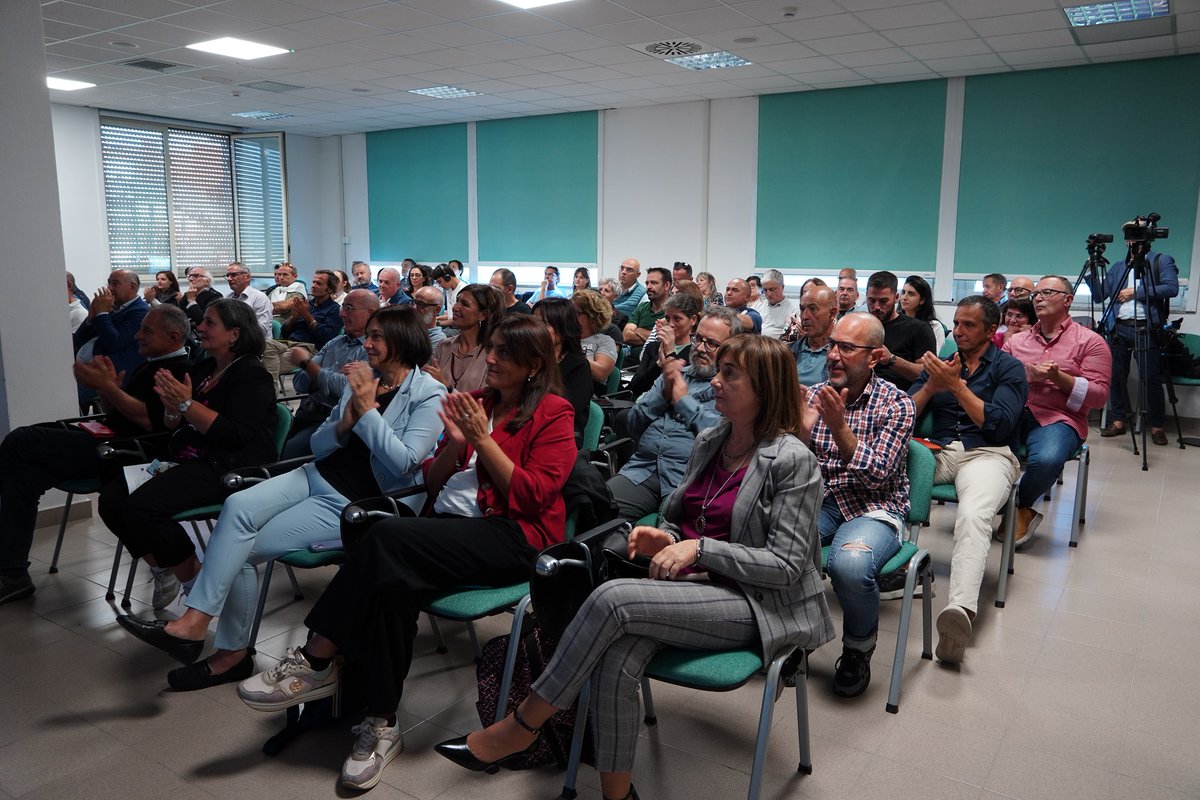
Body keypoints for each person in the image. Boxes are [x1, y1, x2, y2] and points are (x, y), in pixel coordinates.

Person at [437, 335, 835, 800]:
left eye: (731, 374)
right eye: (720, 369)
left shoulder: (792, 460)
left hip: (759, 603)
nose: (716, 381)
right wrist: (663, 536)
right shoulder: (711, 440)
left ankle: (522, 725)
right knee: (617, 659)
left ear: (765, 388)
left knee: (613, 597)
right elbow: (677, 513)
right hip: (692, 586)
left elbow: (786, 567)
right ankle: (617, 794)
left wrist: (698, 549)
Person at [236, 316, 576, 792]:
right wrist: (453, 451)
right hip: (451, 530)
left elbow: (534, 497)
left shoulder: (554, 412)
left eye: (502, 352)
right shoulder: (476, 403)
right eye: (492, 349)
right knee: (394, 582)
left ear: (534, 366)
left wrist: (480, 441)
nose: (490, 359)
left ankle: (317, 658)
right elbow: (434, 484)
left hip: (513, 536)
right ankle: (381, 724)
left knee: (385, 536)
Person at [118, 306, 447, 690]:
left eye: (376, 337)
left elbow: (405, 464)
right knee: (236, 508)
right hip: (316, 474)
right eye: (368, 335)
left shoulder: (429, 393)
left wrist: (365, 411)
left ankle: (227, 654)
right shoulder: (366, 378)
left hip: (356, 502)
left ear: (403, 342)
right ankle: (197, 625)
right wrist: (344, 422)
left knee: (237, 547)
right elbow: (321, 444)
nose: (367, 344)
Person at [0, 305, 192, 606]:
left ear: (173, 336)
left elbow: (151, 423)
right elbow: (122, 412)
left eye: (146, 331)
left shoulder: (178, 370)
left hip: (128, 454)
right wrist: (109, 389)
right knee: (24, 475)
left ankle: (10, 572)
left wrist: (108, 389)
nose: (138, 335)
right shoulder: (151, 363)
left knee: (23, 440)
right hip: (107, 437)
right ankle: (13, 575)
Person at [100, 300, 277, 624]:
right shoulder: (203, 368)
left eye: (210, 323)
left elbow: (234, 434)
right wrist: (173, 406)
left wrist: (185, 403)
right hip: (188, 458)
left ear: (234, 334)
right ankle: (163, 564)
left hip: (229, 466)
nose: (201, 327)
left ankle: (195, 582)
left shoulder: (252, 375)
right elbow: (174, 424)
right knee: (112, 500)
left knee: (142, 507)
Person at [798, 312, 915, 697]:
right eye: (833, 345)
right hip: (822, 499)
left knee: (849, 565)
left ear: (875, 357)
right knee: (778, 542)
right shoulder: (814, 395)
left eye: (846, 348)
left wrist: (838, 427)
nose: (832, 355)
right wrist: (796, 432)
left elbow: (878, 476)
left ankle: (857, 650)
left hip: (874, 507)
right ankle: (795, 635)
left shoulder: (898, 406)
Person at [909, 296, 1027, 665]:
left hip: (988, 453)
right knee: (886, 470)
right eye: (956, 323)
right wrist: (932, 385)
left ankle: (959, 615)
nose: (957, 332)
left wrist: (957, 387)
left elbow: (1000, 425)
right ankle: (887, 567)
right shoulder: (943, 365)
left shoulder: (1010, 369)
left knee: (974, 515)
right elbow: (906, 414)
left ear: (991, 331)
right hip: (942, 451)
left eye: (968, 325)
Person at [1003, 276, 1110, 546]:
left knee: (1048, 460)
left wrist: (1060, 378)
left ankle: (1018, 507)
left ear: (1068, 300)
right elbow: (996, 378)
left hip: (1059, 417)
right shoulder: (1017, 342)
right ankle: (1003, 507)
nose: (1038, 298)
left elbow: (1099, 396)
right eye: (1036, 294)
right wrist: (1027, 376)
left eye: (1047, 292)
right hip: (1015, 412)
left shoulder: (1091, 342)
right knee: (981, 446)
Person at [608, 307, 741, 522]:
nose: (700, 348)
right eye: (698, 338)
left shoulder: (732, 387)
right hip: (642, 469)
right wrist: (663, 393)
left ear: (731, 349)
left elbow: (718, 437)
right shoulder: (673, 373)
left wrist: (681, 401)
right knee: (596, 506)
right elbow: (632, 425)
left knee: (671, 537)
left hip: (688, 480)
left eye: (712, 343)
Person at [1087, 219, 1179, 445]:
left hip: (1146, 328)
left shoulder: (1160, 260)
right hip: (1118, 328)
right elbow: (1100, 296)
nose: (1134, 238)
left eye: (1139, 232)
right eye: (1130, 233)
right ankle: (1119, 421)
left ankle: (1157, 426)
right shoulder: (1118, 266)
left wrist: (1135, 292)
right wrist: (1092, 268)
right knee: (1116, 377)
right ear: (1126, 239)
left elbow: (1172, 288)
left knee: (1151, 379)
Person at [281, 288, 379, 459]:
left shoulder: (372, 349)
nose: (342, 314)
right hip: (307, 412)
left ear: (371, 314)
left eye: (349, 308)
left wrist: (308, 366)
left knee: (289, 451)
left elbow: (346, 389)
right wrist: (328, 377)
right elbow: (299, 382)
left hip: (334, 419)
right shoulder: (335, 342)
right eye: (343, 308)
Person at [73, 269, 149, 409]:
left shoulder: (140, 312)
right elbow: (77, 341)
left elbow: (114, 342)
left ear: (132, 286)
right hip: (90, 369)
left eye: (115, 284)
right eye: (109, 283)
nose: (109, 288)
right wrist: (91, 317)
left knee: (68, 396)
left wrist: (102, 313)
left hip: (112, 376)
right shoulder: (113, 309)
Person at [865, 270, 936, 391]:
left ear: (896, 297)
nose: (876, 307)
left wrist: (891, 360)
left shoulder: (918, 329)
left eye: (883, 301)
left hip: (898, 399)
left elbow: (928, 374)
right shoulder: (861, 326)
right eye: (871, 300)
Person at [426, 284, 503, 393]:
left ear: (483, 315)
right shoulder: (443, 346)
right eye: (457, 301)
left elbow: (486, 401)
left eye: (465, 304)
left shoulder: (491, 355)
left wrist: (447, 386)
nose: (455, 307)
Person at [533, 298, 593, 438]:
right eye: (533, 323)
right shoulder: (526, 360)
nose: (535, 329)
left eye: (544, 324)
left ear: (563, 329)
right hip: (525, 428)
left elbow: (564, 412)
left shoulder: (578, 366)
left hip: (559, 435)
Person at [627, 293, 700, 401]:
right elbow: (635, 387)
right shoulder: (653, 347)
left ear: (692, 320)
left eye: (677, 319)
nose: (670, 324)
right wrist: (658, 365)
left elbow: (681, 390)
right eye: (667, 318)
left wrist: (670, 353)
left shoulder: (696, 352)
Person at [280, 269, 342, 349]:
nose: (313, 286)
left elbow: (326, 336)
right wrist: (293, 318)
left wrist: (306, 315)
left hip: (309, 347)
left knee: (284, 357)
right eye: (313, 282)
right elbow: (284, 333)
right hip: (289, 343)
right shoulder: (306, 305)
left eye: (318, 284)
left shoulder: (335, 309)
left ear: (330, 289)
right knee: (267, 346)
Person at [573, 289, 619, 395]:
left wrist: (570, 355)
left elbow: (601, 372)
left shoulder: (604, 341)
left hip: (587, 394)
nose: (571, 316)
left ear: (592, 316)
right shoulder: (563, 338)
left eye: (577, 313)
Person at [790, 284, 837, 387]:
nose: (804, 316)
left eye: (813, 309)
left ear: (832, 313)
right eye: (802, 309)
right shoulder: (788, 351)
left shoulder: (840, 356)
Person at [622, 267, 670, 363]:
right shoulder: (642, 307)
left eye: (654, 283)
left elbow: (665, 340)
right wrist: (653, 334)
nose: (648, 287)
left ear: (667, 285)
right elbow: (626, 336)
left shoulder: (672, 311)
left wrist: (638, 330)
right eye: (647, 283)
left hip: (656, 362)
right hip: (632, 361)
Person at [224, 262, 272, 338]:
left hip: (258, 343)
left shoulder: (259, 298)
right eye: (227, 276)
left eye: (233, 275)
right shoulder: (227, 298)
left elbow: (262, 331)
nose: (229, 279)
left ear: (247, 277)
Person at [899, 275, 946, 353]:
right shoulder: (895, 321)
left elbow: (930, 358)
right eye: (903, 292)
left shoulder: (934, 326)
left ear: (922, 300)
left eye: (911, 294)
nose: (904, 297)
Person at [757, 269, 796, 338]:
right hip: (757, 345)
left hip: (778, 347)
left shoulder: (793, 310)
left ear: (782, 287)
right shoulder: (758, 307)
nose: (768, 294)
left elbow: (791, 337)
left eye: (772, 289)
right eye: (765, 290)